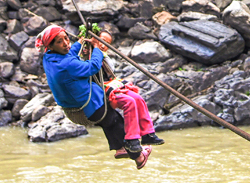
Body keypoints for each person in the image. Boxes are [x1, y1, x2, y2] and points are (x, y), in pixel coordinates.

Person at [37, 24, 155, 170]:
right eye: (59, 42)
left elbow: (69, 54)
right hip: (87, 108)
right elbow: (92, 67)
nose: (66, 43)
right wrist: (97, 49)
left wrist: (80, 42)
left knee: (108, 122)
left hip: (73, 107)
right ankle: (138, 156)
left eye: (66, 38)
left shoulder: (48, 58)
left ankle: (120, 149)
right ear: (51, 46)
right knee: (114, 120)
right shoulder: (68, 64)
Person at [97, 31, 165, 161]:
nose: (103, 45)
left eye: (107, 43)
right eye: (102, 40)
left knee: (138, 98)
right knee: (129, 102)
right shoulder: (88, 54)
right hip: (102, 90)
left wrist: (101, 54)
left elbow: (111, 70)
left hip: (112, 85)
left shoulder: (105, 58)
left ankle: (147, 133)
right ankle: (131, 139)